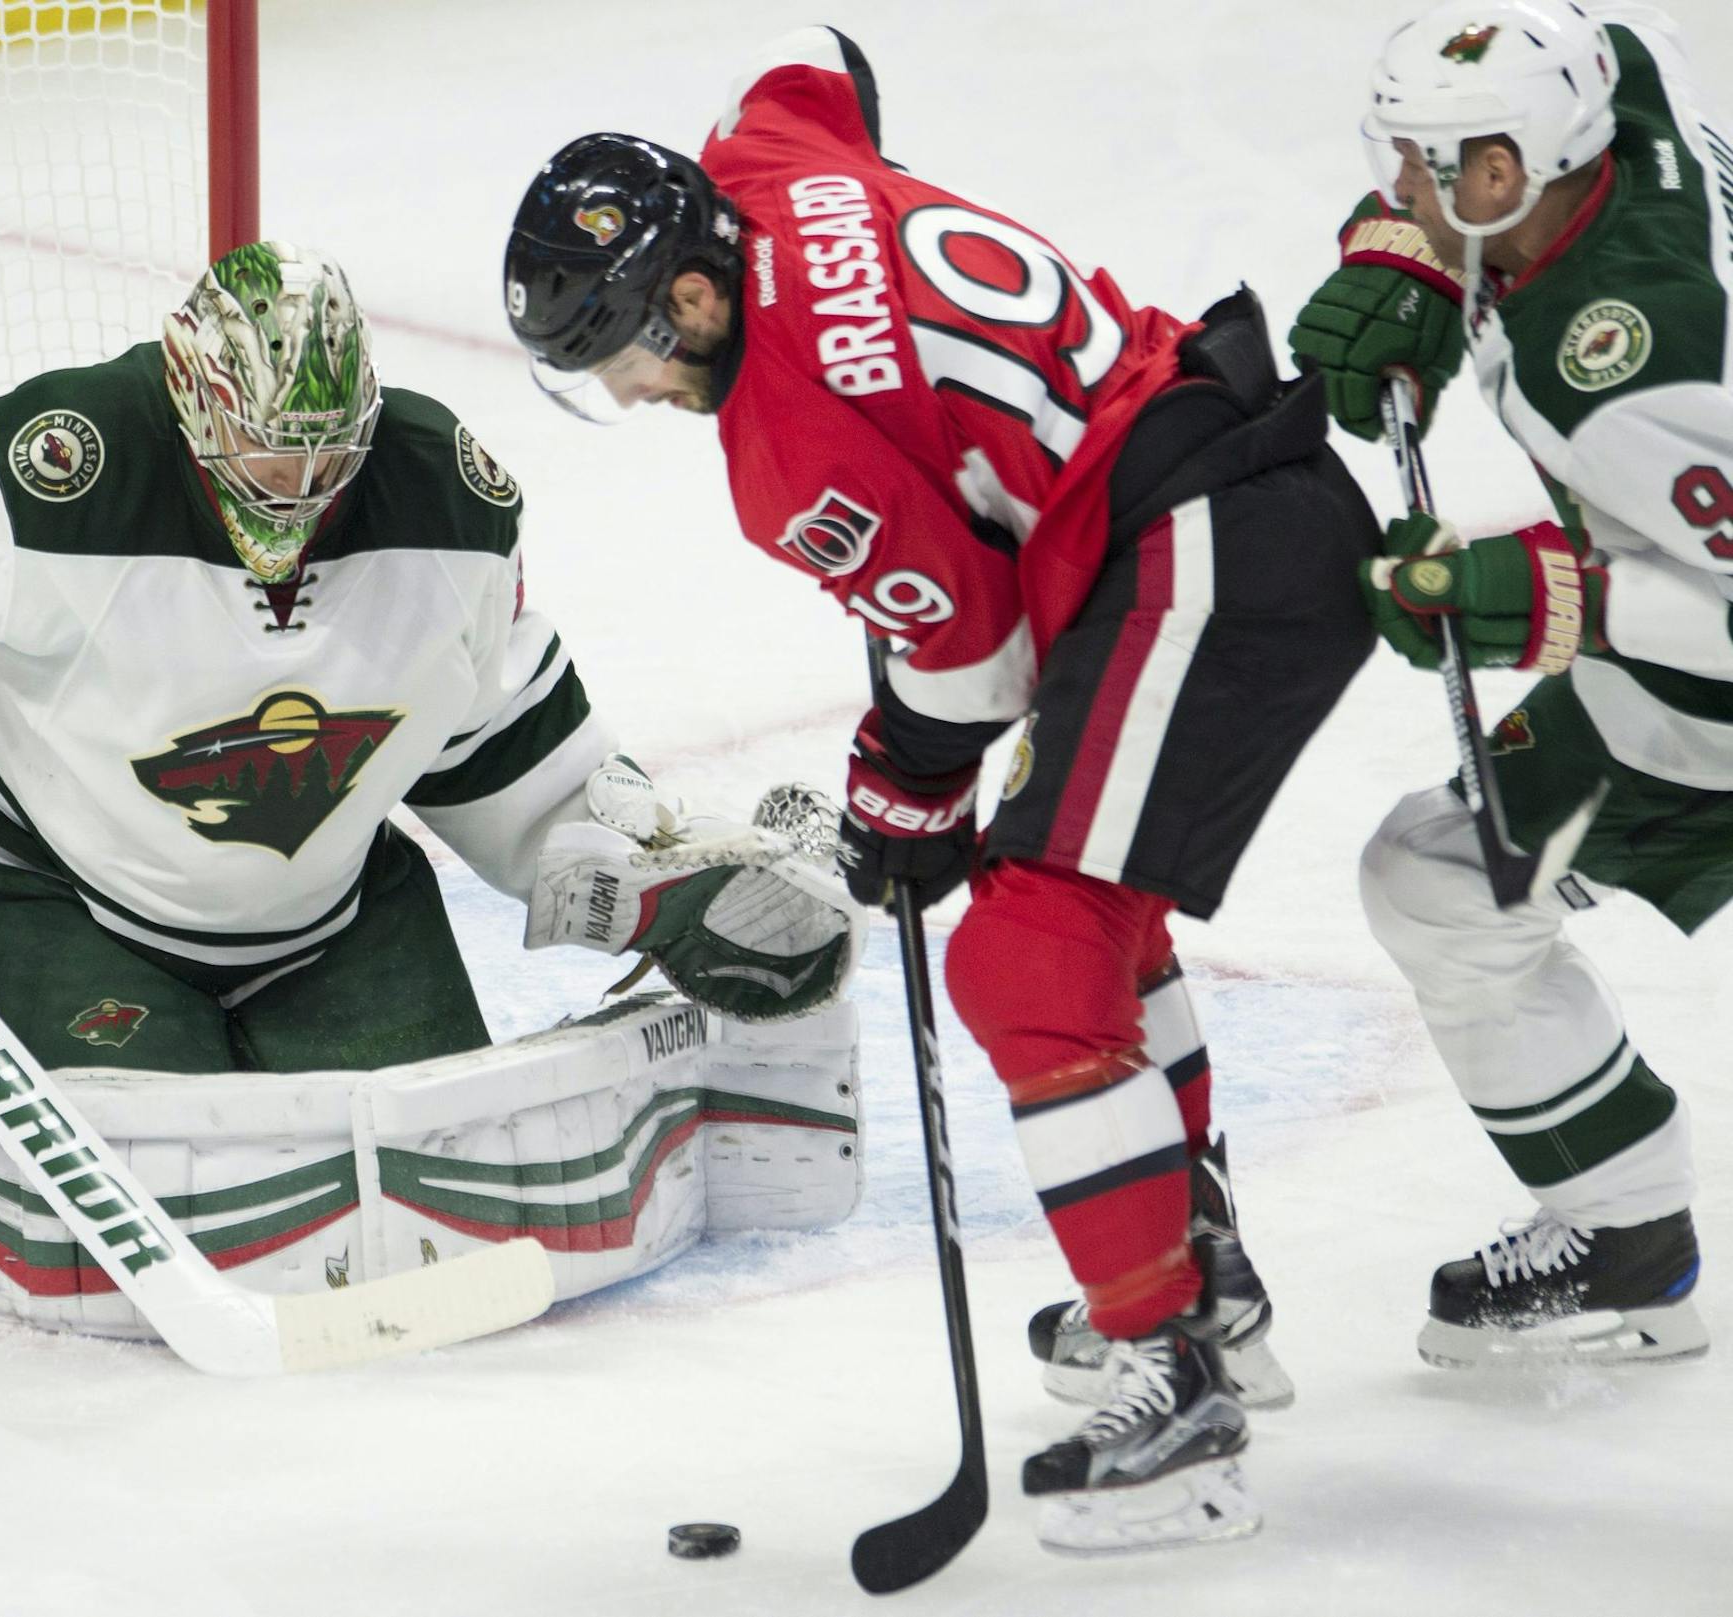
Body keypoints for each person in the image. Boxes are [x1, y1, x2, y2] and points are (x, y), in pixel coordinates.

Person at [503, 27, 1380, 1552]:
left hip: (1202, 544)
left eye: (629, 353)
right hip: (1217, 486)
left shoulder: (789, 451)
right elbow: (813, 56)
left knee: (1023, 955)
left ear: (696, 296)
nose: (635, 391)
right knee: (1091, 915)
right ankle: (1199, 1278)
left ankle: (1178, 1395)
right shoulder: (766, 158)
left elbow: (968, 668)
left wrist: (896, 801)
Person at [0, 241, 855, 1075]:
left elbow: (494, 742)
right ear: (192, 400)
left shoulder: (440, 491)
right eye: (267, 451)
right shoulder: (64, 460)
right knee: (159, 1155)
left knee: (433, 1144)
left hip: (332, 918)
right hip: (52, 900)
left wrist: (648, 885)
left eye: (328, 455)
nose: (300, 494)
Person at [1289, 0, 1717, 1369]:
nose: (1399, 186)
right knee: (1445, 873)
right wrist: (1410, 257)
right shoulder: (1613, 110)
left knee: (1449, 883)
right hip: (1675, 678)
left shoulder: (1623, 363)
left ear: (1504, 176)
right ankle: (1625, 1232)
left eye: (1424, 170)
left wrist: (1532, 596)